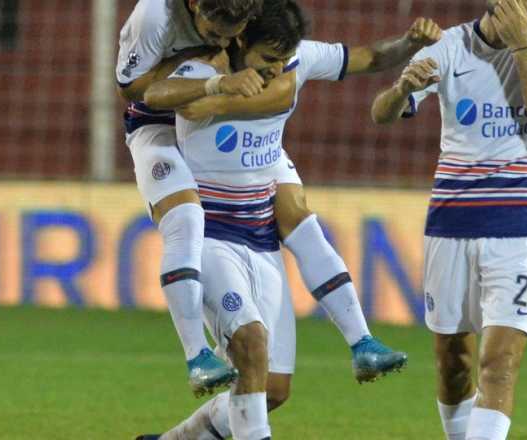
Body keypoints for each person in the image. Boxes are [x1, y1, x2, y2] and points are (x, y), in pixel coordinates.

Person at [137, 2, 440, 438]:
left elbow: (369, 57)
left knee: (272, 389)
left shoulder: (293, 59)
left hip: (261, 239)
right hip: (213, 237)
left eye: (284, 60)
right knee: (251, 345)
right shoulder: (203, 69)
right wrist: (217, 89)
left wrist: (409, 43)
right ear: (241, 41)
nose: (279, 69)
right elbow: (155, 94)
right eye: (268, 60)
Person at [370, 0, 527, 438]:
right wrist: (401, 90)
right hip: (452, 222)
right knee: (453, 365)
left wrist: (522, 48)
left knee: (499, 366)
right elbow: (382, 114)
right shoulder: (448, 45)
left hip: (519, 226)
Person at [117, 0, 268, 396]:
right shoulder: (154, 15)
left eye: (228, 35)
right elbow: (130, 88)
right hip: (157, 126)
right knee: (185, 219)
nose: (220, 41)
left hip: (219, 122)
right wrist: (204, 66)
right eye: (213, 30)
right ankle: (198, 356)